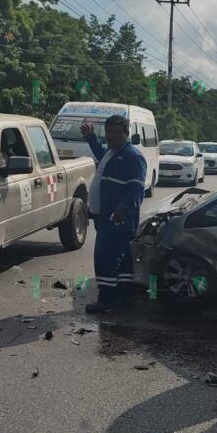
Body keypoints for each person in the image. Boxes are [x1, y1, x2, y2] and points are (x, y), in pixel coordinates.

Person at [80, 114, 147, 314]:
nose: (111, 136)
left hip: (117, 219)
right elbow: (101, 155)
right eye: (108, 132)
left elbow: (136, 190)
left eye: (117, 132)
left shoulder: (132, 157)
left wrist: (123, 210)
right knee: (122, 260)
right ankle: (124, 298)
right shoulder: (113, 152)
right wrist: (91, 138)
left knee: (105, 258)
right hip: (106, 216)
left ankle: (107, 300)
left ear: (127, 133)